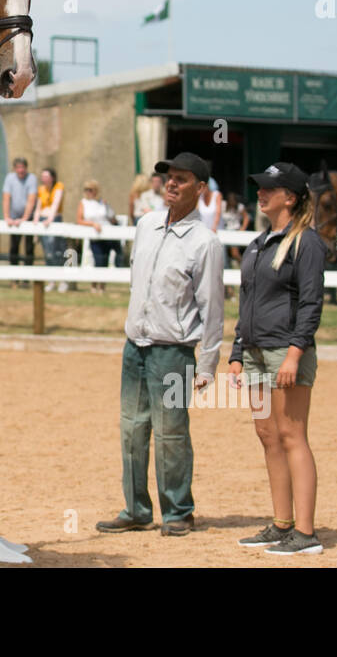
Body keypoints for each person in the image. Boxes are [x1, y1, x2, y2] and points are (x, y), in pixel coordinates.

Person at [96, 152, 223, 538]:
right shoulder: (146, 224)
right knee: (131, 430)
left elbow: (213, 307)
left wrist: (207, 365)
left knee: (171, 432)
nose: (170, 183)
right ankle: (136, 509)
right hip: (135, 345)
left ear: (200, 189)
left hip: (173, 350)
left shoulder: (206, 243)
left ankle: (178, 511)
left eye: (181, 179)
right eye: (169, 177)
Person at [229, 162, 325, 555]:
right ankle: (282, 522)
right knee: (268, 436)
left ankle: (305, 532)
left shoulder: (307, 242)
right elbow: (247, 301)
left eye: (270, 188)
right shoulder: (258, 243)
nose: (261, 194)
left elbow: (311, 303)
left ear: (291, 197)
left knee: (292, 436)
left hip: (286, 351)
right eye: (260, 188)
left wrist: (293, 355)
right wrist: (236, 353)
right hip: (254, 351)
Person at [77, 180, 119, 292]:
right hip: (94, 235)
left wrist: (108, 208)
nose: (88, 192)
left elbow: (111, 218)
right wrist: (92, 224)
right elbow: (80, 220)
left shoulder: (102, 202)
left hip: (107, 233)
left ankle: (102, 286)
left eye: (90, 189)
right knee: (97, 259)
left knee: (105, 259)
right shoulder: (83, 202)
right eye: (86, 189)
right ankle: (94, 285)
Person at [2, 157, 38, 277]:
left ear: (26, 168)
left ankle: (27, 277)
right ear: (15, 168)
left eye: (23, 167)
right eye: (18, 167)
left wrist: (24, 218)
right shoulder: (10, 178)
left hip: (28, 217)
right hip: (13, 216)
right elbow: (6, 197)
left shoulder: (32, 178)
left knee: (29, 247)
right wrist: (7, 216)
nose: (21, 170)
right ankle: (13, 277)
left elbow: (31, 200)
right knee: (14, 247)